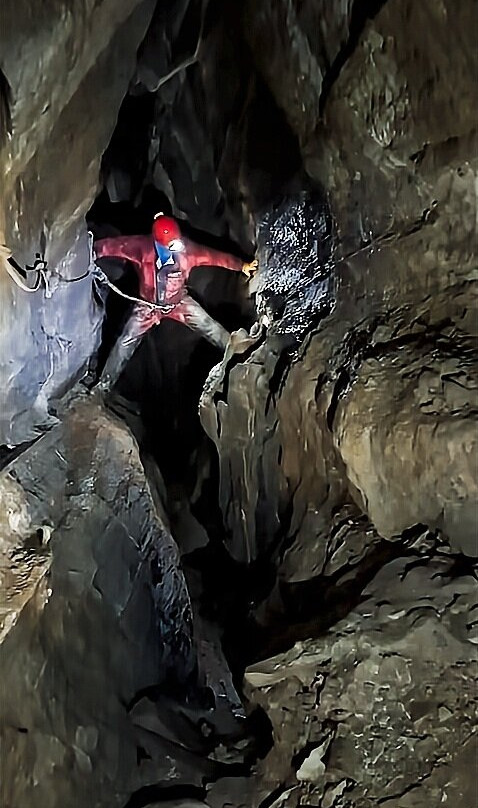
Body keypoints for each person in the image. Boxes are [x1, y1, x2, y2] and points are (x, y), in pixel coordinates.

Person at [93, 213, 257, 390]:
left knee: (210, 326)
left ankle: (240, 354)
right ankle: (103, 387)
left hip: (178, 303)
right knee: (125, 342)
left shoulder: (187, 252)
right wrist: (93, 252)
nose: (175, 249)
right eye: (170, 245)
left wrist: (241, 265)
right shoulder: (142, 247)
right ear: (157, 243)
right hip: (147, 306)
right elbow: (115, 246)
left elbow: (213, 256)